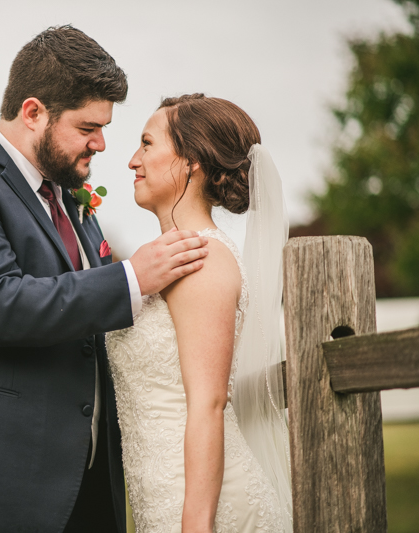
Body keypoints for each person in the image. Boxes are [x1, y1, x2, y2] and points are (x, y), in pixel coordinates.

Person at [0, 27, 209, 533]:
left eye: (104, 127)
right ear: (33, 112)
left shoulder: (71, 200)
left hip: (80, 492)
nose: (101, 144)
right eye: (87, 128)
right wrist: (132, 277)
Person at [106, 94, 293, 532]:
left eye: (147, 144)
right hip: (161, 493)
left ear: (190, 161)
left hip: (202, 504)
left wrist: (196, 523)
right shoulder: (169, 258)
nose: (133, 160)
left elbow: (209, 403)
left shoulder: (201, 258)